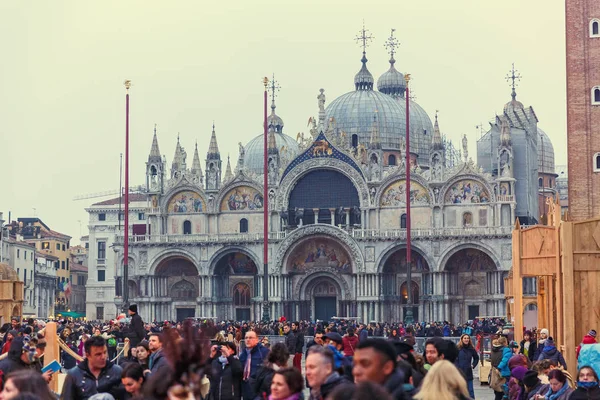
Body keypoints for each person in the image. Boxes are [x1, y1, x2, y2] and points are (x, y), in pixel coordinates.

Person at [61, 335, 125, 400]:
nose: (103, 357)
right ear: (88, 355)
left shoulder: (117, 372)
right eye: (98, 354)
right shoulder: (74, 375)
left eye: (105, 352)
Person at [239, 329, 270, 400]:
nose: (248, 340)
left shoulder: (264, 352)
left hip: (259, 391)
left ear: (257, 340)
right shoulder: (243, 354)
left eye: (250, 338)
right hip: (246, 389)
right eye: (246, 338)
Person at [455, 333, 479, 399]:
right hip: (460, 373)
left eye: (467, 338)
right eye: (465, 338)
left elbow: (476, 358)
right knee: (460, 391)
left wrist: (473, 365)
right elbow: (454, 359)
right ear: (462, 339)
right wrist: (457, 367)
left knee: (470, 391)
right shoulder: (458, 349)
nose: (466, 339)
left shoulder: (471, 349)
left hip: (468, 372)